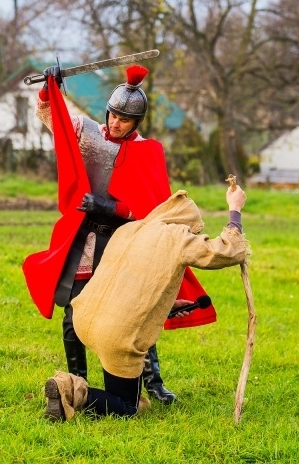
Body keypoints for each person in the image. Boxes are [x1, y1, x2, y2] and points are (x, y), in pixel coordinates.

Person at [22, 64, 211, 405]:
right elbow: (51, 116)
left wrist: (111, 208)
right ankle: (75, 385)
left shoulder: (148, 152)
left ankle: (153, 383)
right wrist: (49, 86)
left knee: (136, 314)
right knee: (73, 311)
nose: (115, 123)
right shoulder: (86, 132)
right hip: (85, 240)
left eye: (124, 119)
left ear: (136, 122)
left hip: (125, 243)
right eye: (113, 115)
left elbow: (153, 212)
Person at [42, 184, 251, 421]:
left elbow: (130, 282)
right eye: (194, 229)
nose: (193, 233)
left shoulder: (131, 229)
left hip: (85, 317)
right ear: (184, 222)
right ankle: (69, 389)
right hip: (116, 334)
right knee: (128, 407)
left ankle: (78, 393)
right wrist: (235, 209)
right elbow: (225, 251)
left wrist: (166, 306)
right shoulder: (177, 236)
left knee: (132, 396)